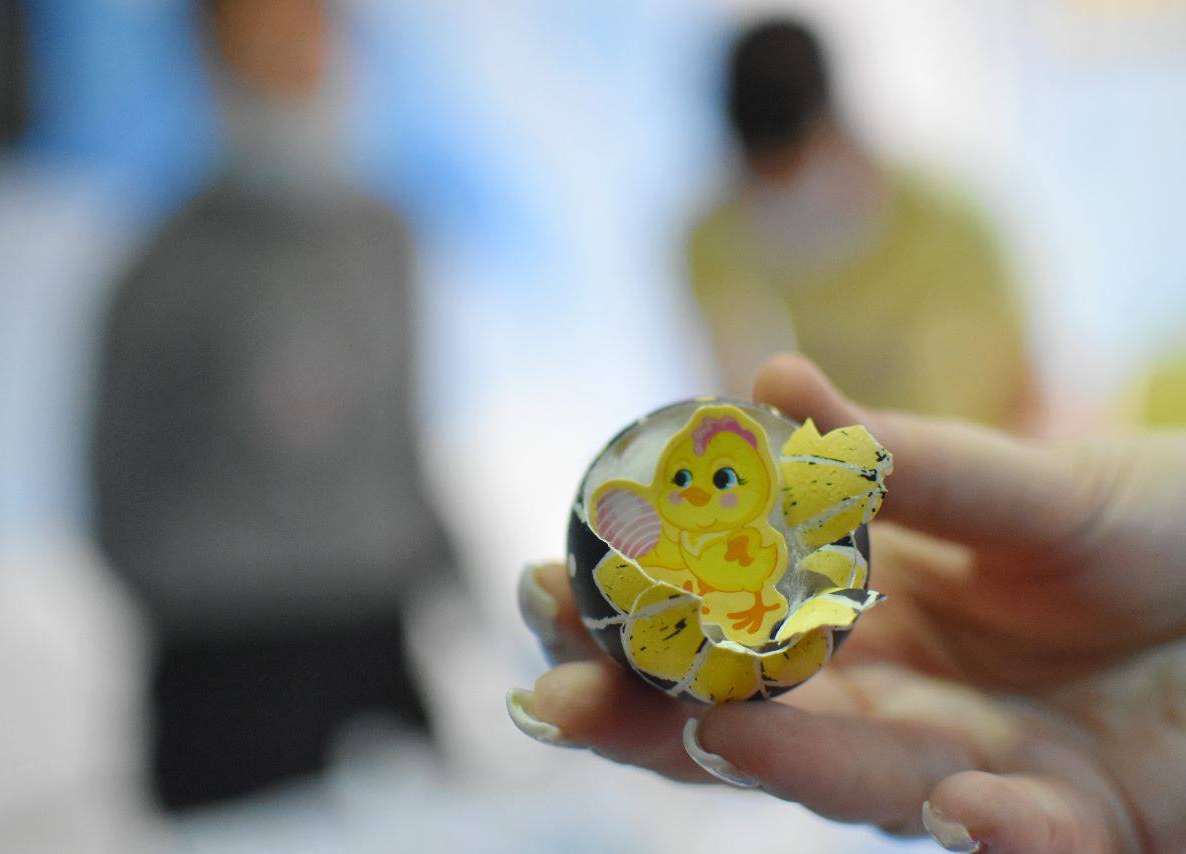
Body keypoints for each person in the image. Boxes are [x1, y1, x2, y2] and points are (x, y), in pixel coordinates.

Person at [510, 353, 1186, 853]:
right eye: (682, 480)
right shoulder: (662, 537)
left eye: (721, 479)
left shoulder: (786, 523)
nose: (699, 495)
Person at [93, 0, 453, 808]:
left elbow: (403, 449)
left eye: (308, 36)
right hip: (227, 662)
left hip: (377, 641)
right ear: (209, 62)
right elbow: (117, 498)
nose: (293, 66)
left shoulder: (383, 239)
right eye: (260, 45)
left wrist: (453, 587)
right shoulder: (162, 271)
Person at [688, 20, 1036, 428]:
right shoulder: (716, 244)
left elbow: (1026, 397)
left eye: (794, 167)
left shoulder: (953, 226)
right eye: (767, 176)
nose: (785, 191)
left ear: (834, 129)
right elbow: (735, 403)